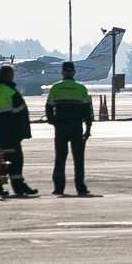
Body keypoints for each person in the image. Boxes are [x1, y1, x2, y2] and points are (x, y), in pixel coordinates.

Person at [0, 65, 38, 196]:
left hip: (8, 133)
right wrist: (12, 131)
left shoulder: (3, 89)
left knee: (10, 160)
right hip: (9, 133)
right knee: (13, 160)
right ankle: (12, 185)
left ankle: (11, 185)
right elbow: (5, 115)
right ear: (8, 75)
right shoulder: (4, 90)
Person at [46, 61, 92, 196]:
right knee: (78, 158)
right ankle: (80, 187)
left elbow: (49, 107)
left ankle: (59, 188)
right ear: (74, 72)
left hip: (60, 128)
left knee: (60, 158)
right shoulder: (81, 88)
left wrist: (53, 121)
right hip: (76, 127)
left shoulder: (55, 88)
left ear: (62, 72)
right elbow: (87, 111)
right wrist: (88, 128)